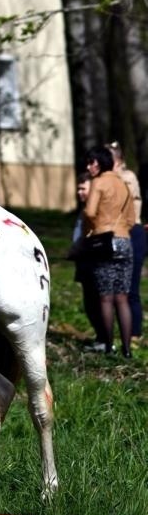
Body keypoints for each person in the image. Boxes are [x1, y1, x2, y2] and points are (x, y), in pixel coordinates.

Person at [84, 145, 134, 359]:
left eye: (91, 162)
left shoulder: (99, 182)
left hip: (104, 242)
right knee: (122, 298)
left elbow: (90, 211)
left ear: (100, 162)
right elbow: (131, 218)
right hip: (125, 241)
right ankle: (127, 349)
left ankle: (108, 346)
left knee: (105, 298)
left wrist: (95, 228)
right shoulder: (123, 184)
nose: (88, 166)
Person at [109, 141, 145, 341]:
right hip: (118, 234)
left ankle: (135, 333)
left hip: (132, 233)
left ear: (118, 160)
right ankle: (121, 331)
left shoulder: (127, 177)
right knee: (115, 288)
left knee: (131, 288)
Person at [68, 174, 107, 350]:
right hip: (83, 261)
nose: (80, 192)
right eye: (78, 188)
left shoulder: (95, 210)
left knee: (96, 302)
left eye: (83, 188)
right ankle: (101, 338)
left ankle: (105, 340)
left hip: (92, 261)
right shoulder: (84, 210)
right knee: (89, 302)